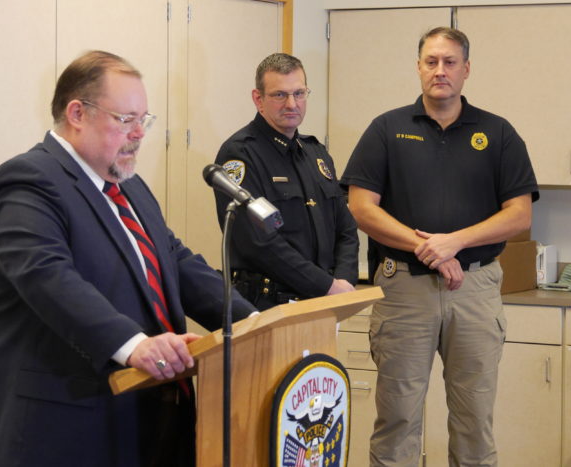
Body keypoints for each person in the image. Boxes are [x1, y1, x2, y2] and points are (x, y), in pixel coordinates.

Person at [0, 50, 256, 467]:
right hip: (54, 429)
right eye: (126, 119)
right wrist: (134, 346)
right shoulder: (28, 181)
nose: (139, 134)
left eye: (143, 120)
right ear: (77, 112)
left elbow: (177, 263)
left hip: (141, 424)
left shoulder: (130, 187)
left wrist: (255, 324)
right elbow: (48, 277)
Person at [340, 27, 539, 466]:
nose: (440, 70)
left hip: (476, 289)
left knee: (474, 422)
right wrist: (426, 248)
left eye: (450, 62)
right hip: (404, 291)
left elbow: (519, 215)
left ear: (466, 69)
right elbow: (360, 208)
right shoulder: (386, 129)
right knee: (396, 420)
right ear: (418, 68)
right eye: (431, 61)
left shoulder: (498, 133)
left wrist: (455, 242)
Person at [213, 53, 358, 311]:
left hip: (323, 301)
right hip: (268, 303)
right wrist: (326, 286)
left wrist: (343, 283)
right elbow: (257, 243)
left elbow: (345, 230)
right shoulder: (240, 154)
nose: (292, 103)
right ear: (258, 99)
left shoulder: (316, 153)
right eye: (280, 95)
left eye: (299, 93)